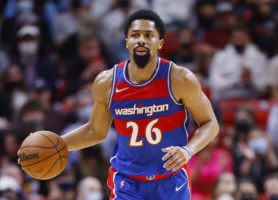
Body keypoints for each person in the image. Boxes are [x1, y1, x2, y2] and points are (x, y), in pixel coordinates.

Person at [18, 9, 219, 200]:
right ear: (127, 42)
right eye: (135, 35)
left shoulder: (180, 79)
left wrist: (188, 150)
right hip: (127, 181)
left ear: (160, 43)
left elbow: (210, 122)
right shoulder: (107, 82)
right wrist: (56, 146)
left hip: (170, 180)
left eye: (148, 35)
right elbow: (95, 131)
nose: (141, 39)